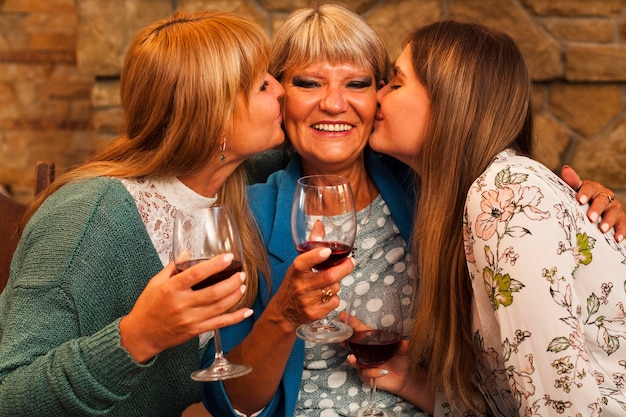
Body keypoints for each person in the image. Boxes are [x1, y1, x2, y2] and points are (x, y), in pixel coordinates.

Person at [202, 5, 625, 417]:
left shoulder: (445, 194)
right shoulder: (245, 213)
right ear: (280, 97)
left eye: (359, 83)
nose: (333, 104)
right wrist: (282, 318)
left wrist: (591, 212)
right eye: (309, 83)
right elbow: (234, 401)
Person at [0, 10, 285, 416]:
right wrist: (138, 337)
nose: (282, 90)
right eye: (263, 84)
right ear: (214, 114)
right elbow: (8, 395)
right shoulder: (87, 218)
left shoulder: (242, 180)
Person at [367, 20, 626, 415]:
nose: (377, 97)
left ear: (449, 99)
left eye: (396, 82)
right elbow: (518, 397)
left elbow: (558, 407)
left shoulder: (507, 195)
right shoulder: (473, 201)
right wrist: (415, 384)